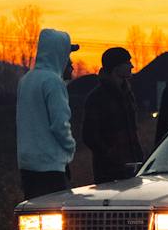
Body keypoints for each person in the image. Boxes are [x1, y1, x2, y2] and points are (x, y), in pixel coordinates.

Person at [17, 27, 78, 199]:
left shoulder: (26, 80)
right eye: (67, 56)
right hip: (50, 166)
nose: (70, 62)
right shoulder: (53, 82)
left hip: (27, 164)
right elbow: (60, 124)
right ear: (58, 55)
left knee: (34, 211)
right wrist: (70, 147)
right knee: (55, 211)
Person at [81, 45, 143, 182]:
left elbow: (133, 130)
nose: (131, 66)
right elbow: (89, 136)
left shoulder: (128, 95)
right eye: (127, 62)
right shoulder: (97, 98)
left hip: (134, 167)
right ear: (116, 67)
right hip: (108, 172)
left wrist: (139, 157)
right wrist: (111, 156)